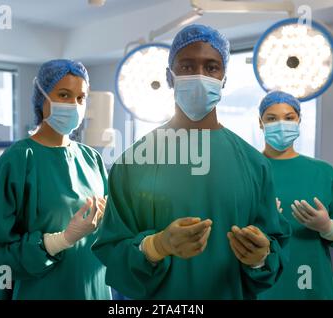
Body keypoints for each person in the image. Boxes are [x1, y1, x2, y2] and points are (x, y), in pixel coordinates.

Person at [92, 24, 291, 299]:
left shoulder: (254, 164)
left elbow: (275, 247)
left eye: (211, 67)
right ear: (169, 77)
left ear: (224, 77)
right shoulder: (133, 163)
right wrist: (155, 246)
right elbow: (113, 252)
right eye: (186, 67)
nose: (199, 76)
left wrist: (260, 257)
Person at [0, 59, 111, 300]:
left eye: (80, 98)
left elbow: (109, 231)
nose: (74, 105)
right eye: (63, 95)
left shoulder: (92, 159)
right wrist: (61, 240)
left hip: (94, 289)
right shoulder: (18, 161)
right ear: (42, 98)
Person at [257, 90, 333, 300]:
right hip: (262, 286)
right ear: (260, 122)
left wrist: (328, 227)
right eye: (272, 118)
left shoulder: (323, 172)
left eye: (289, 117)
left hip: (312, 286)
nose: (281, 124)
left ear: (299, 120)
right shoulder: (247, 170)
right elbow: (228, 228)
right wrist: (261, 224)